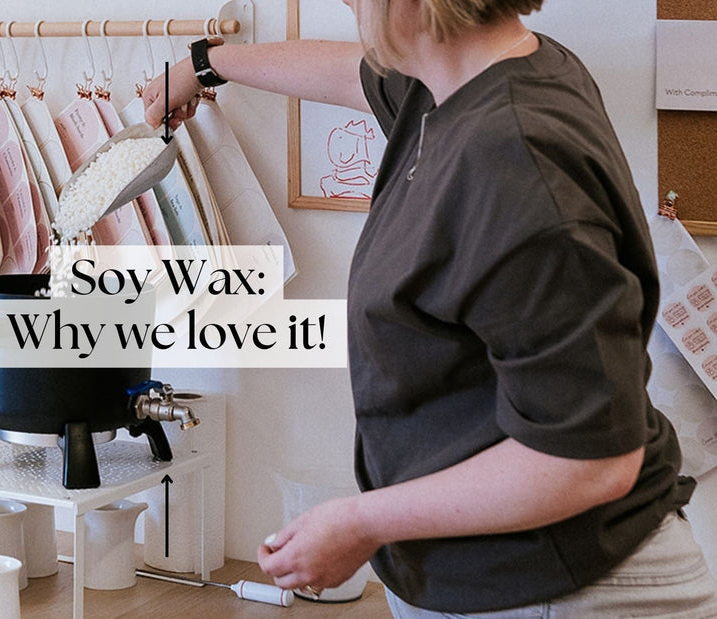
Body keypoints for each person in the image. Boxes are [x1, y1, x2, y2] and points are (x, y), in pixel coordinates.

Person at [142, 1, 717, 616]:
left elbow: (589, 459)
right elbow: (346, 72)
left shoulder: (515, 154)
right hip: (492, 577)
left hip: (562, 588)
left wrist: (362, 522)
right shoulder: (463, 82)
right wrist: (205, 65)